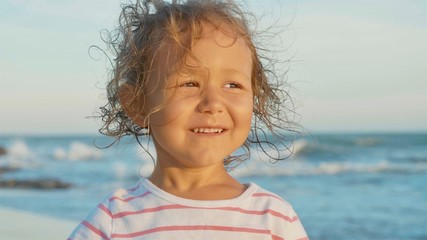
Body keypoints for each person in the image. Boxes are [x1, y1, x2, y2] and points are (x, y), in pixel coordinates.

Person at [68, 0, 308, 239]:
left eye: (232, 85)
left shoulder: (274, 219)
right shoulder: (114, 221)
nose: (213, 104)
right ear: (137, 105)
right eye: (189, 84)